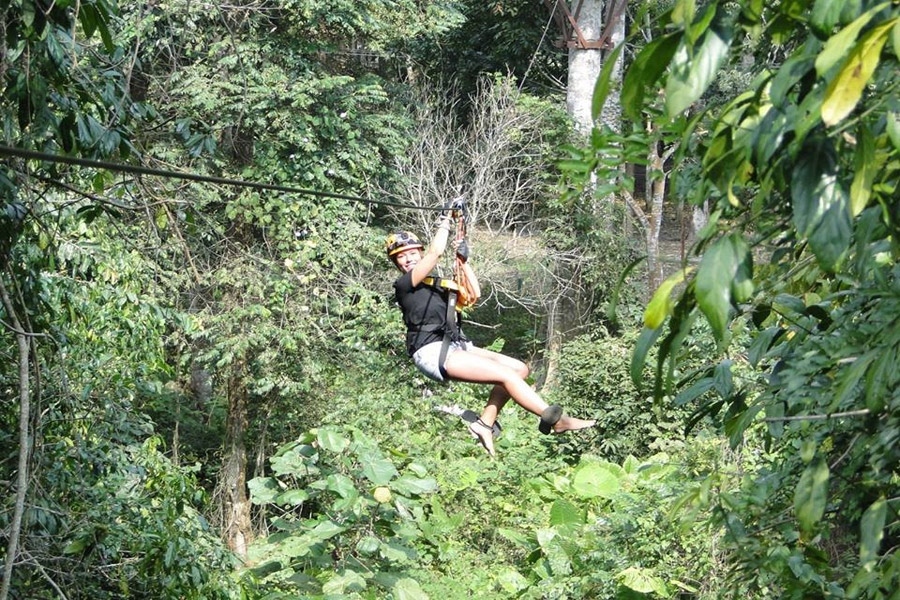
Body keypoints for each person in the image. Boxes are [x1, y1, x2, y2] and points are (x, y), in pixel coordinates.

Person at [385, 206, 596, 458]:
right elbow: (436, 252)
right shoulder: (405, 285)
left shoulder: (437, 285)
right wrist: (445, 221)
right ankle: (555, 420)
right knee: (506, 376)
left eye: (411, 253)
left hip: (454, 346)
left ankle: (485, 424)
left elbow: (474, 293)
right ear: (397, 263)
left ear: (418, 252)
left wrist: (464, 262)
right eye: (401, 257)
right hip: (431, 351)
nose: (408, 259)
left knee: (519, 369)